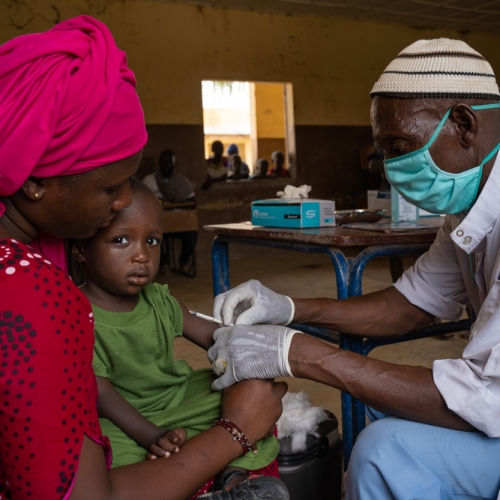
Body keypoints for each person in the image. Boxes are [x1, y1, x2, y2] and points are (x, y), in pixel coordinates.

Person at [0, 15, 288, 500]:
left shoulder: (40, 262)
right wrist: (235, 431)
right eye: (110, 188)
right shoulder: (36, 295)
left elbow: (206, 331)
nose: (120, 205)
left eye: (150, 240)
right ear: (33, 181)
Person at [208, 38, 500, 500]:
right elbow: (408, 305)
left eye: (399, 145)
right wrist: (288, 309)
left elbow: (486, 398)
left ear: (463, 124)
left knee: (385, 450)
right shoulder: (470, 209)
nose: (391, 167)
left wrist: (299, 354)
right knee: (387, 409)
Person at [71, 178, 282, 497]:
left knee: (254, 394)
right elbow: (101, 393)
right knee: (100, 455)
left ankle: (233, 478)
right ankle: (220, 472)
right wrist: (150, 434)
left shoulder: (158, 299)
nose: (141, 255)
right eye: (121, 240)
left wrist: (259, 350)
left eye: (152, 242)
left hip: (177, 398)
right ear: (80, 249)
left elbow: (214, 338)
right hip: (124, 417)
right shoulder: (76, 313)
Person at [143, 150, 197, 275]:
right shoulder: (150, 180)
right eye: (163, 161)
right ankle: (164, 263)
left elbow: (193, 201)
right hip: (157, 222)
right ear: (159, 163)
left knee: (191, 234)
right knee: (154, 236)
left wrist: (178, 200)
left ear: (174, 164)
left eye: (169, 162)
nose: (166, 165)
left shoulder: (181, 181)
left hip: (177, 221)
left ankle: (184, 262)